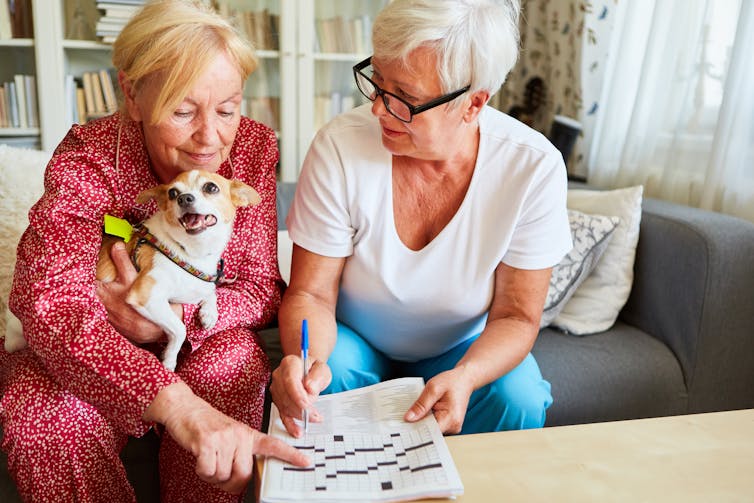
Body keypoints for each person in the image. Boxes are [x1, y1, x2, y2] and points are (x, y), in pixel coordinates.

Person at [0, 1, 308, 502]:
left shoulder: (252, 146)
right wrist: (172, 402)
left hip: (199, 333)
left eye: (227, 109)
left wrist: (169, 309)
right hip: (89, 342)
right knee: (44, 419)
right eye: (182, 111)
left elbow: (256, 287)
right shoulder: (89, 154)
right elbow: (48, 301)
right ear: (131, 93)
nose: (210, 137)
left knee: (233, 370)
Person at [270, 0, 572, 439]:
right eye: (377, 82)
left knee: (518, 397)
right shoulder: (339, 146)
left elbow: (516, 316)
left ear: (472, 104)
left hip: (460, 347)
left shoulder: (532, 167)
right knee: (322, 382)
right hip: (353, 339)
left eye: (404, 99)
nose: (377, 109)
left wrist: (465, 377)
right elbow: (312, 294)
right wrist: (305, 360)